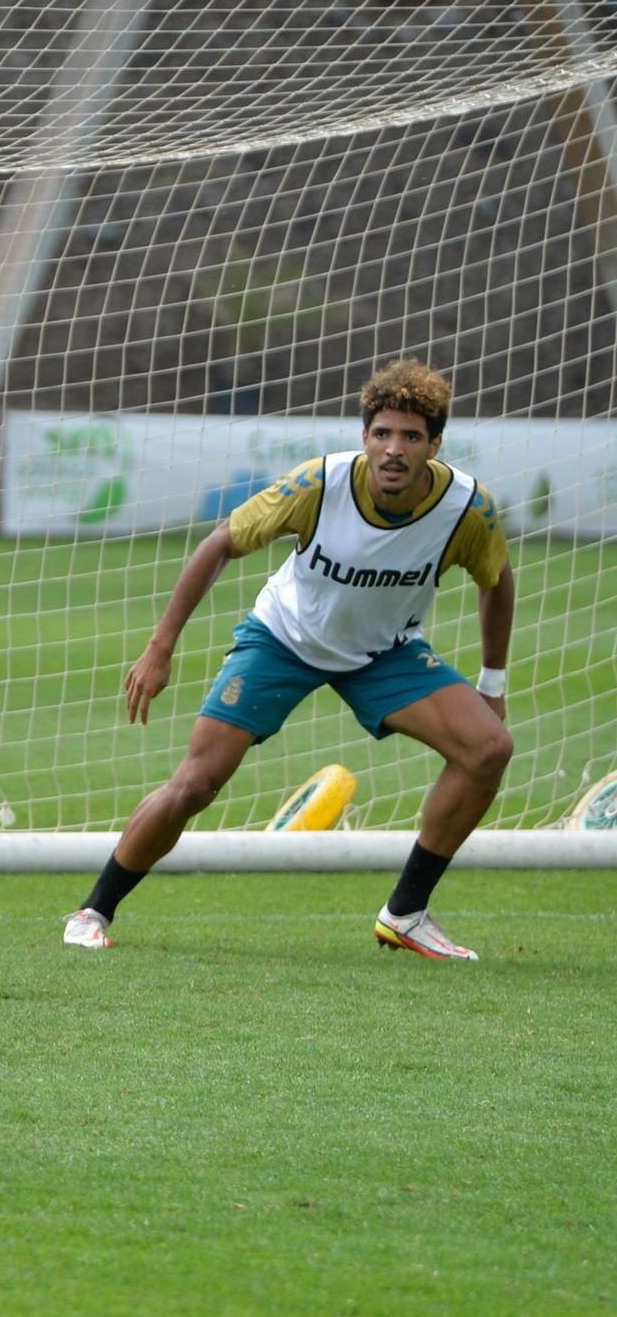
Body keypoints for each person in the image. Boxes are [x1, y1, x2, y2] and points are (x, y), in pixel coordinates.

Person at [63, 358, 514, 959]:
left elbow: (497, 581)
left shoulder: (467, 510)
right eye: (382, 433)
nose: (393, 449)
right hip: (283, 639)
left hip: (384, 654)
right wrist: (159, 647)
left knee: (489, 748)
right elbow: (221, 542)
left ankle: (405, 913)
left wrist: (492, 683)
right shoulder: (318, 484)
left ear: (435, 444)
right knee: (196, 784)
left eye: (411, 436)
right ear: (364, 437)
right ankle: (93, 909)